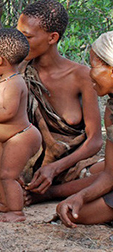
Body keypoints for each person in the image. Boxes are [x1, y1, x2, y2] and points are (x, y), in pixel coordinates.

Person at [17, 0, 103, 203]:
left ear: (52, 38)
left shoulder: (81, 76)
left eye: (27, 36)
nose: (19, 42)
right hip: (28, 165)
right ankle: (27, 187)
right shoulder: (17, 72)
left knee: (109, 172)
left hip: (71, 165)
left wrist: (55, 168)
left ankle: (50, 194)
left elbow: (95, 141)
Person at [0, 28, 41, 222]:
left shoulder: (14, 83)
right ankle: (4, 203)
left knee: (8, 174)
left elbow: (8, 112)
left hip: (20, 137)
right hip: (6, 139)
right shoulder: (3, 80)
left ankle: (16, 211)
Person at [56, 32, 113, 227]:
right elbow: (110, 175)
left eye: (94, 66)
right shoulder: (111, 110)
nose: (89, 73)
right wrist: (80, 197)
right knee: (71, 213)